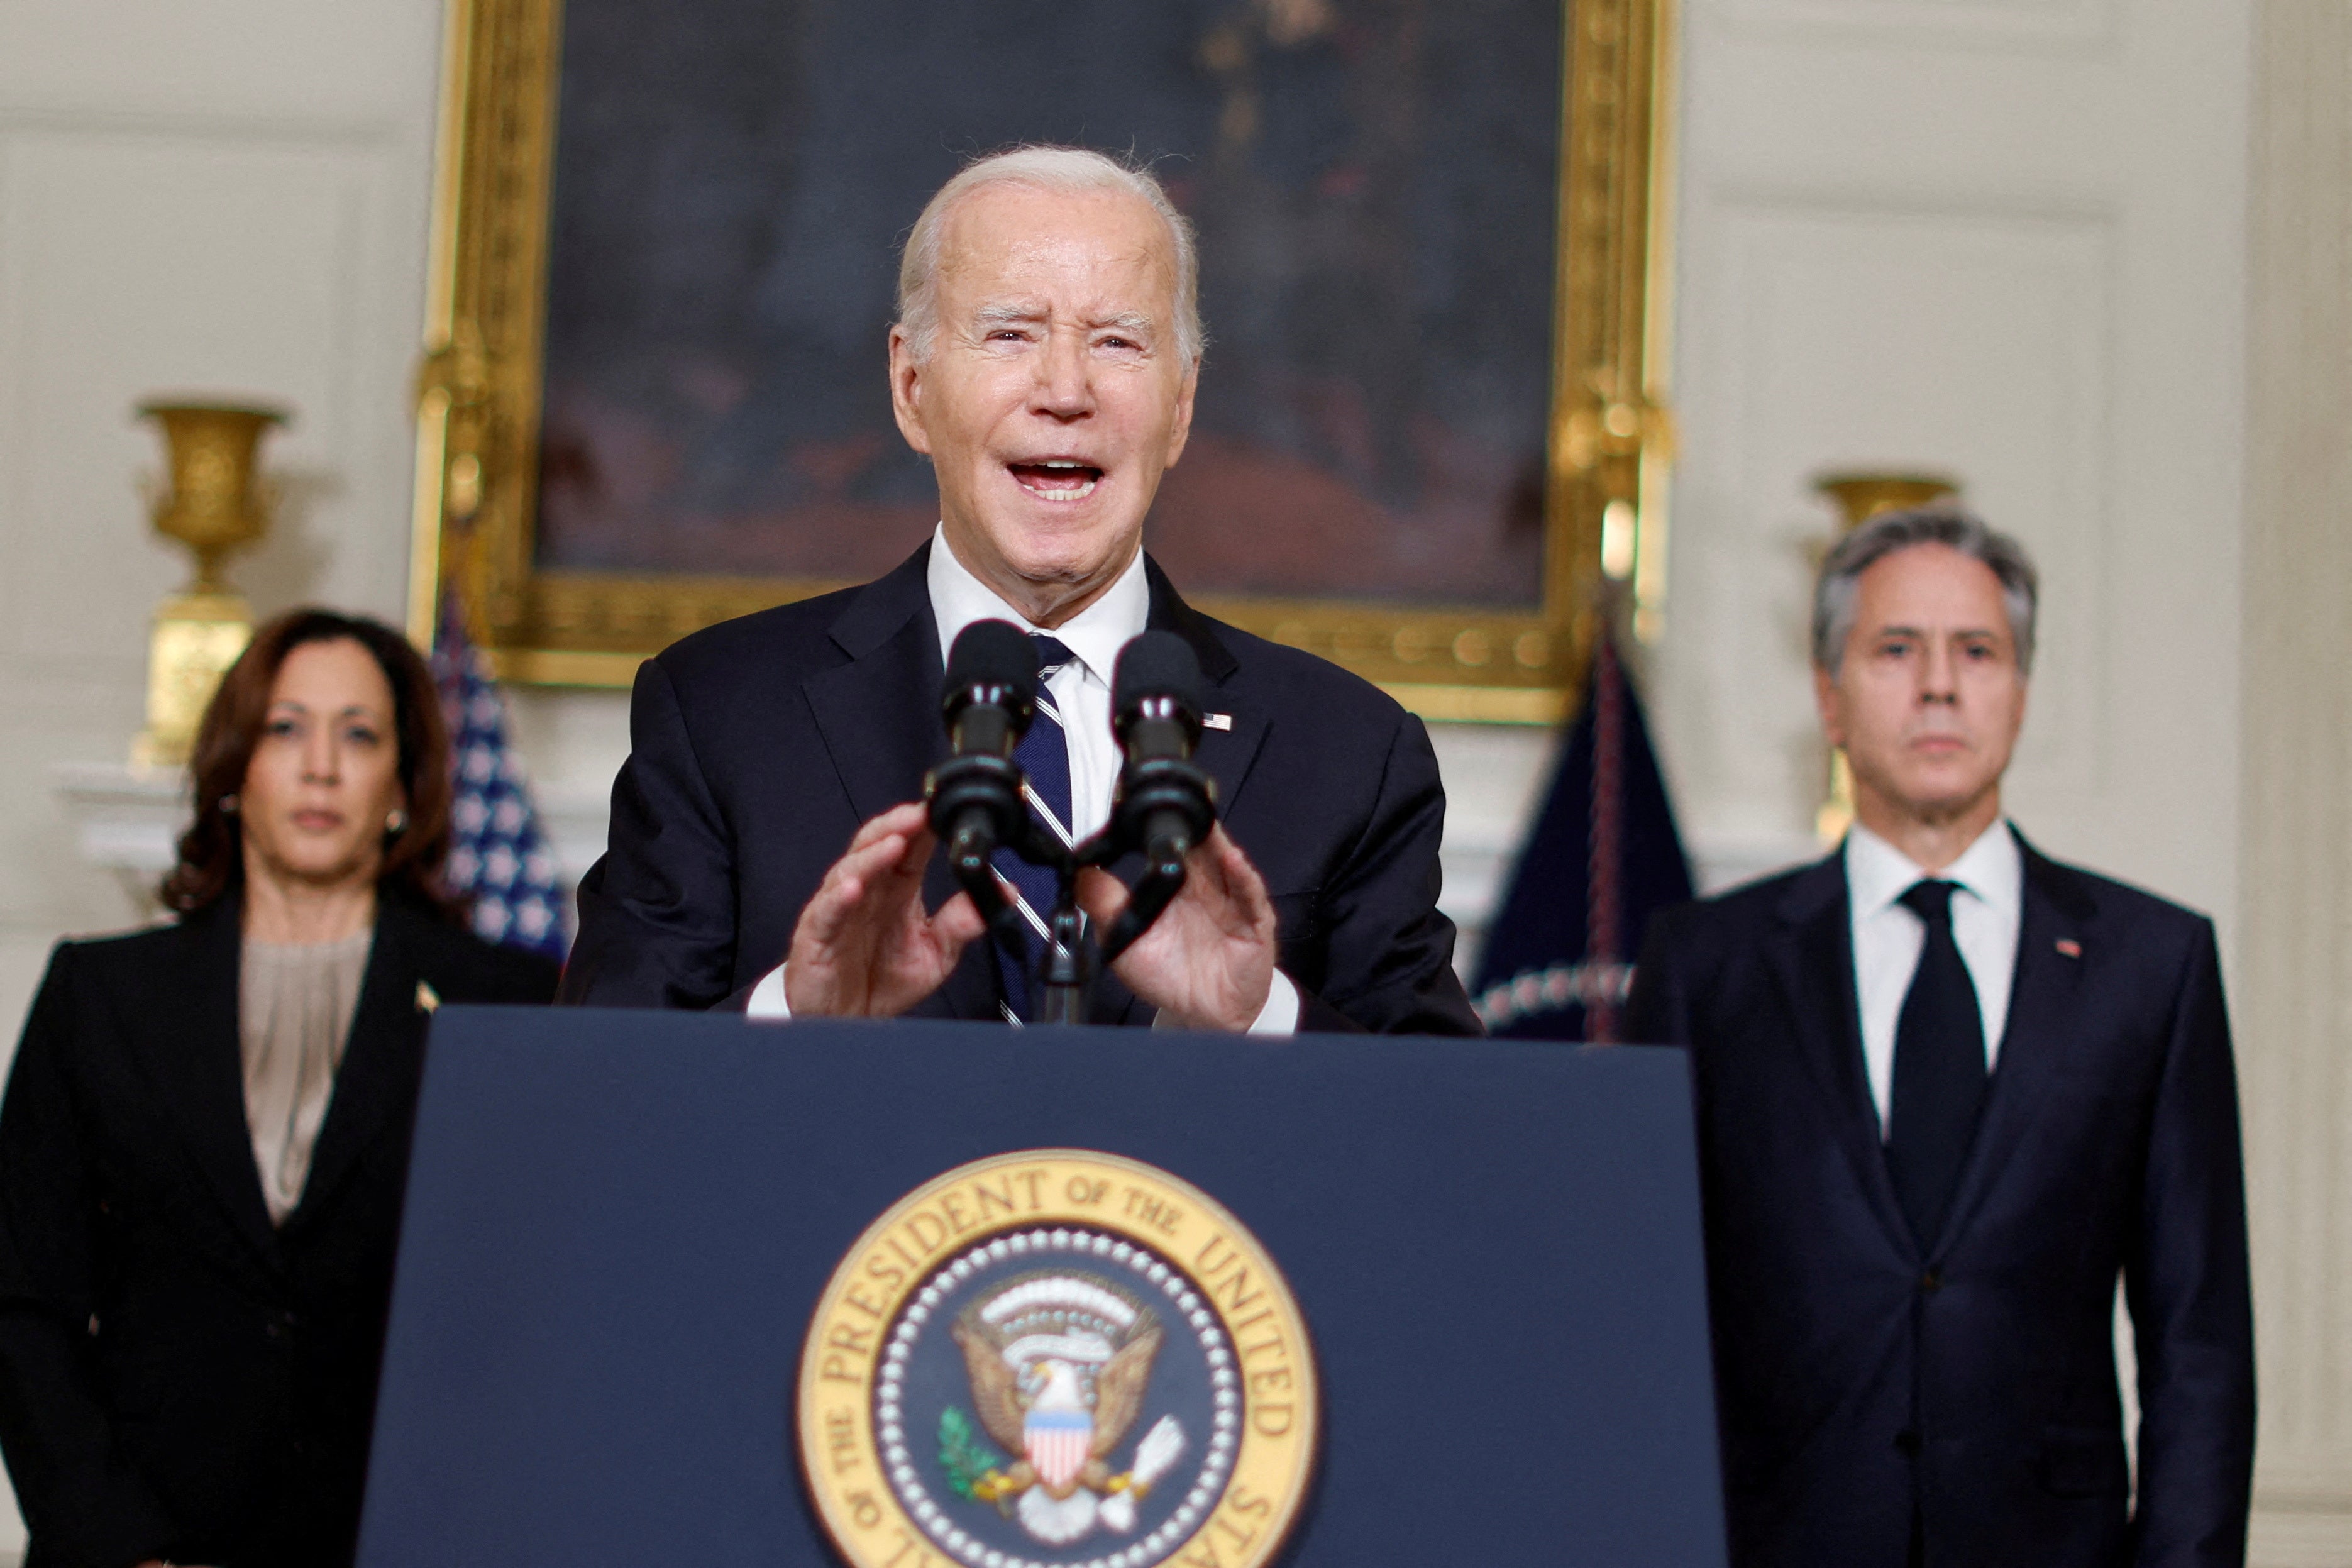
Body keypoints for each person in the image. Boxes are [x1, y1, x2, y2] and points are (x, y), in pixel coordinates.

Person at [559, 146, 1479, 1037]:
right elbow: (594, 1111)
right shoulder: (722, 715)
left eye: (1117, 341)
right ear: (911, 387)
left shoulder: (1351, 753)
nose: (1066, 390)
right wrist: (798, 1014)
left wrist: (1258, 1015)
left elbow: (1451, 1141)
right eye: (1009, 335)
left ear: (1182, 404)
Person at [1627, 508, 2255, 1567]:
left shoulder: (2152, 966)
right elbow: (1642, 1318)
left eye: (1976, 651)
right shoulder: (1708, 966)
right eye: (1894, 649)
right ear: (1828, 697)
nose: (1937, 685)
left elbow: (2197, 1342)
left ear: (2019, 690)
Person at [0, 610, 560, 1568]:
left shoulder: (503, 999)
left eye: (359, 734)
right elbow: (22, 1304)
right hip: (139, 1539)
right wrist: (117, 1543)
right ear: (233, 769)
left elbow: (530, 1310)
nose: (321, 766)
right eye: (286, 727)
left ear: (402, 782)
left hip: (401, 1538)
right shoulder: (99, 995)